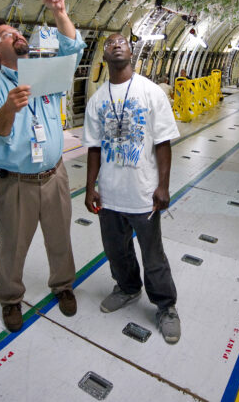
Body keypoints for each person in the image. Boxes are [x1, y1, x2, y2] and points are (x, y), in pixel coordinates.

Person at [0, 0, 85, 333]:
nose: (17, 35)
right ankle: (10, 299)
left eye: (17, 31)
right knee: (12, 247)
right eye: (7, 35)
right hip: (16, 184)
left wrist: (59, 11)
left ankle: (63, 285)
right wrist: (9, 108)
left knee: (60, 239)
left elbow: (72, 48)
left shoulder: (43, 72)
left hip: (55, 175)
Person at [82, 33, 182, 344]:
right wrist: (90, 187)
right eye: (109, 42)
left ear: (131, 52)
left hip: (143, 194)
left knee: (153, 256)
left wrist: (163, 186)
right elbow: (94, 148)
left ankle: (166, 307)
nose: (115, 44)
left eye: (122, 42)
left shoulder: (151, 92)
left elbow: (163, 143)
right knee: (116, 251)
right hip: (110, 195)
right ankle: (127, 288)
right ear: (104, 55)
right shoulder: (97, 99)